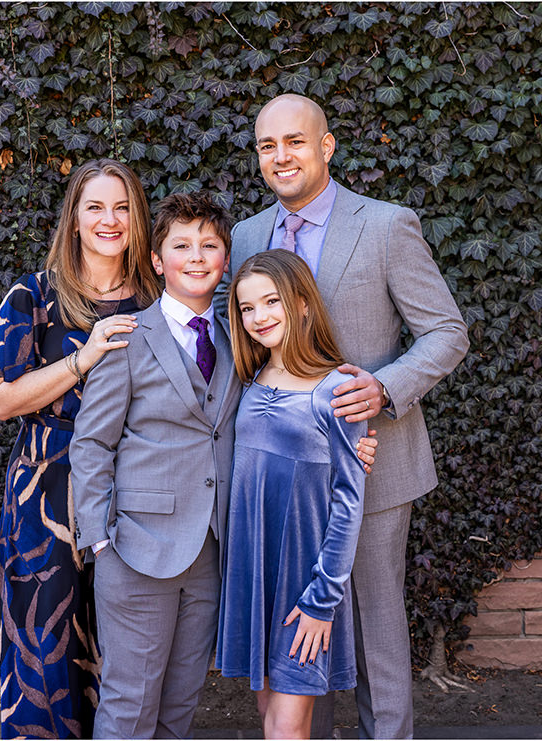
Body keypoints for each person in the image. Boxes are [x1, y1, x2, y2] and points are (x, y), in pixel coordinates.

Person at [217, 93, 470, 739]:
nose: (281, 156)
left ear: (326, 146)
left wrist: (383, 388)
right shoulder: (245, 236)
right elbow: (233, 345)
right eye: (268, 146)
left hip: (370, 462)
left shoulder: (385, 225)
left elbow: (446, 331)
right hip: (282, 477)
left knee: (375, 627)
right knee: (300, 630)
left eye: (295, 141)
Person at [0, 159, 161, 739]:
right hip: (45, 487)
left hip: (131, 483)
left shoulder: (158, 299)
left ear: (138, 219)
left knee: (121, 637)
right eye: (95, 207)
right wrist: (83, 358)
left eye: (123, 208)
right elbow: (1, 400)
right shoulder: (33, 295)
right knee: (45, 639)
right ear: (74, 219)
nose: (110, 220)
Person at [69, 192, 240, 739]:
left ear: (225, 259)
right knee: (130, 704)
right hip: (136, 549)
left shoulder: (239, 338)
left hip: (211, 549)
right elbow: (91, 444)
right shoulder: (126, 338)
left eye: (209, 245)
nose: (197, 257)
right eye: (181, 246)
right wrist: (100, 540)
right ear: (157, 261)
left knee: (180, 705)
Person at [216, 249, 366, 739]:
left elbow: (348, 503)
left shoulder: (337, 388)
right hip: (253, 573)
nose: (259, 316)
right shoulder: (249, 378)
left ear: (302, 302)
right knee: (268, 715)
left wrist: (323, 599)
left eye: (271, 301)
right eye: (247, 307)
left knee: (286, 727)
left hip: (305, 581)